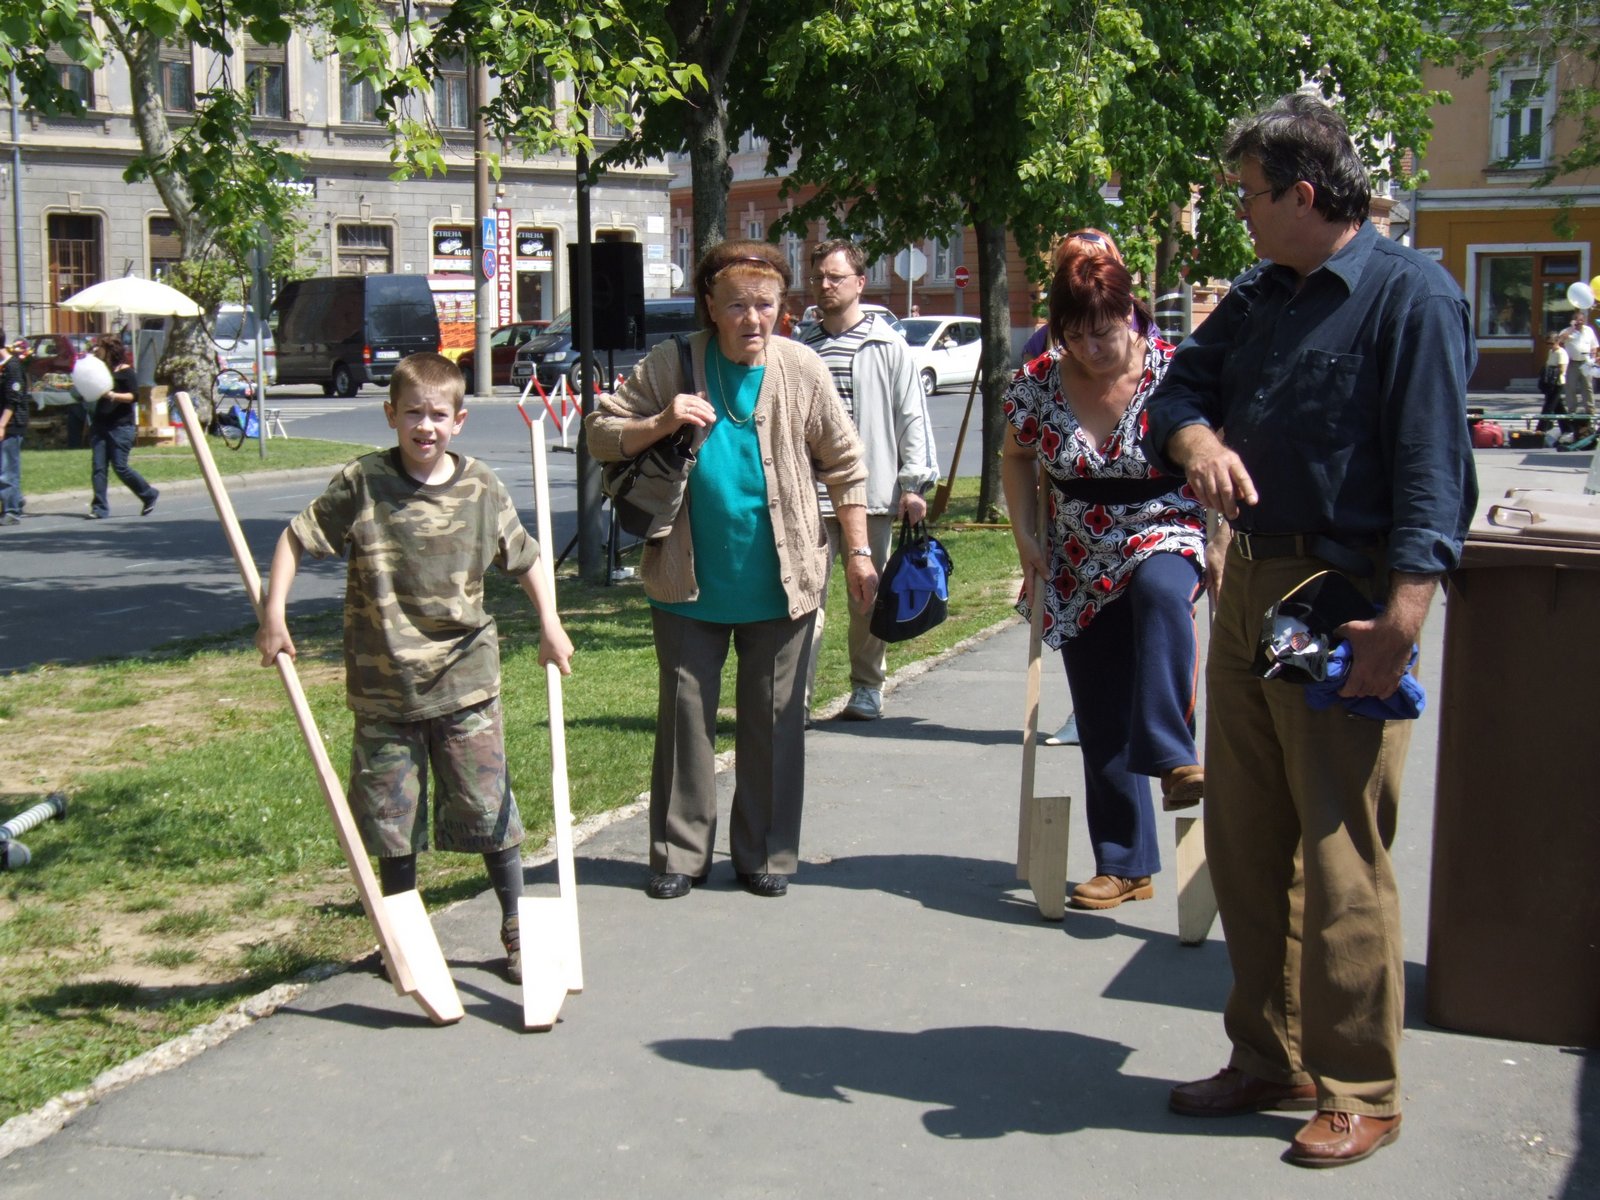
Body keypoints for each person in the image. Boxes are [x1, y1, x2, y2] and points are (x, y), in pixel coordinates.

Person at [1144, 93, 1477, 1168]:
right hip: (1251, 583)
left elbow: (1434, 470)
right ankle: (1268, 1055)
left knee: (1340, 847)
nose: (1237, 212)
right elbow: (1173, 395)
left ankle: (1360, 1087)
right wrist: (1196, 443)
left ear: (1301, 193)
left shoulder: (1411, 298)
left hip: (1347, 596)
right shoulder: (1258, 295)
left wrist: (1405, 617)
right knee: (1246, 837)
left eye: (1247, 194)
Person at [255, 352, 574, 983]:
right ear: (390, 415)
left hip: (465, 680)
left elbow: (526, 557)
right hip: (385, 688)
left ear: (459, 420)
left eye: (437, 415)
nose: (425, 426)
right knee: (390, 822)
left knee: (488, 809)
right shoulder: (363, 482)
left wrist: (551, 624)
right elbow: (294, 538)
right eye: (412, 414)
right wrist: (274, 615)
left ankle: (517, 927)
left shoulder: (481, 486)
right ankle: (405, 938)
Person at [585, 240, 873, 900]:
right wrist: (661, 421)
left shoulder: (801, 368)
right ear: (710, 307)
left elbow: (845, 465)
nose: (753, 318)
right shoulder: (673, 363)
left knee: (775, 724)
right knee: (685, 722)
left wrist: (859, 552)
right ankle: (679, 855)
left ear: (782, 308)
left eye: (765, 305)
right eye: (737, 305)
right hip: (688, 580)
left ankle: (765, 852)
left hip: (782, 580)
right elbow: (601, 433)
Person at [1000, 250, 1206, 912]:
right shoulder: (1038, 381)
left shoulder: (1175, 372)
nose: (1090, 349)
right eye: (1074, 335)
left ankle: (1174, 755)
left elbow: (1216, 450)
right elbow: (1016, 456)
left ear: (1130, 314)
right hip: (1076, 553)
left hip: (1163, 524)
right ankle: (1124, 864)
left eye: (1103, 332)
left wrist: (1226, 537)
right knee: (1099, 712)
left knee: (1162, 592)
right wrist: (1025, 536)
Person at [799, 238, 938, 722]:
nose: (825, 285)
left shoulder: (887, 344)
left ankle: (866, 687)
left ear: (859, 282)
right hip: (810, 497)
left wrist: (913, 484)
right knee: (804, 599)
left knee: (867, 596)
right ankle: (796, 700)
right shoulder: (802, 348)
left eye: (835, 277)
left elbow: (911, 416)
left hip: (871, 494)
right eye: (818, 277)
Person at [1018, 228, 1129, 746]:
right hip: (1073, 525)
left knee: (1154, 614)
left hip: (1148, 525)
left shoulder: (1141, 334)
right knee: (1088, 641)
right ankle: (1088, 712)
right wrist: (1026, 533)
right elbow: (1019, 442)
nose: (1088, 347)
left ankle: (1158, 720)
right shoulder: (1041, 349)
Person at [86, 335, 159, 520]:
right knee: (98, 467)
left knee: (120, 466)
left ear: (109, 350)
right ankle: (99, 508)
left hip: (121, 427)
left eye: (99, 347)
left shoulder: (127, 372)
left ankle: (148, 494)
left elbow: (134, 396)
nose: (96, 350)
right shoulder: (102, 371)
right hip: (100, 424)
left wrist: (112, 395)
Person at [0, 334, 27, 525]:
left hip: (11, 424)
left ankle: (11, 511)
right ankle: (16, 499)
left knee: (7, 469)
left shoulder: (13, 366)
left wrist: (2, 425)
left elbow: (13, 400)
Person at [1559, 308, 1597, 430]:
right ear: (1572, 320)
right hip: (1572, 362)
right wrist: (1572, 328)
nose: (1579, 322)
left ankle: (1590, 411)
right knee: (1570, 387)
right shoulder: (1567, 331)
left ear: (1584, 320)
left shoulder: (1589, 331)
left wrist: (1593, 357)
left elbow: (1594, 346)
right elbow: (1560, 340)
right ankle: (1572, 411)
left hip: (1586, 362)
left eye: (1581, 320)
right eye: (1576, 320)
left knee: (1587, 387)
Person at [1537, 332, 1569, 436]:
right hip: (1549, 382)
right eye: (1547, 343)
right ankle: (1568, 428)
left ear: (1557, 341)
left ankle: (1541, 430)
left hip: (1557, 383)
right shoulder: (1551, 352)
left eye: (1551, 343)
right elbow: (1548, 364)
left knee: (1548, 407)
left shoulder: (1561, 353)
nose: (1549, 346)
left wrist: (1552, 372)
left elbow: (1562, 369)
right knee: (1559, 408)